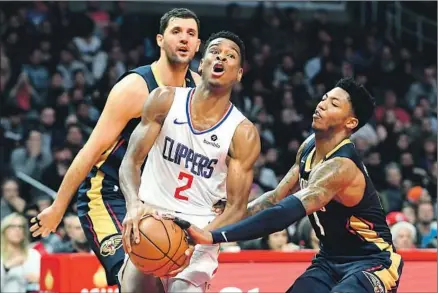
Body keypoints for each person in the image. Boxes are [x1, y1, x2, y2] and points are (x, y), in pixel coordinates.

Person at [176, 77, 404, 293]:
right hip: (329, 259)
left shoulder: (341, 167)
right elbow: (275, 198)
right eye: (324, 98)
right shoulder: (309, 147)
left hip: (372, 262)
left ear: (351, 122)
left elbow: (284, 213)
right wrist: (228, 217)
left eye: (333, 103)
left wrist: (218, 236)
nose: (322, 105)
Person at [29, 8, 202, 290]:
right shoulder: (134, 88)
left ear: (197, 45)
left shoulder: (198, 88)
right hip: (108, 194)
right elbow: (91, 149)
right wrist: (58, 207)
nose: (184, 39)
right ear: (160, 40)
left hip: (157, 197)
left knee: (170, 280)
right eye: (176, 31)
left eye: (191, 34)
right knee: (138, 274)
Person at [119, 30, 260, 293]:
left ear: (239, 73)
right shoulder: (164, 100)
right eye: (215, 52)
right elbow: (130, 163)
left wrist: (199, 236)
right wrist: (133, 204)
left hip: (199, 228)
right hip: (150, 217)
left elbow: (237, 207)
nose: (221, 57)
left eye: (231, 56)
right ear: (202, 63)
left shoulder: (242, 132)